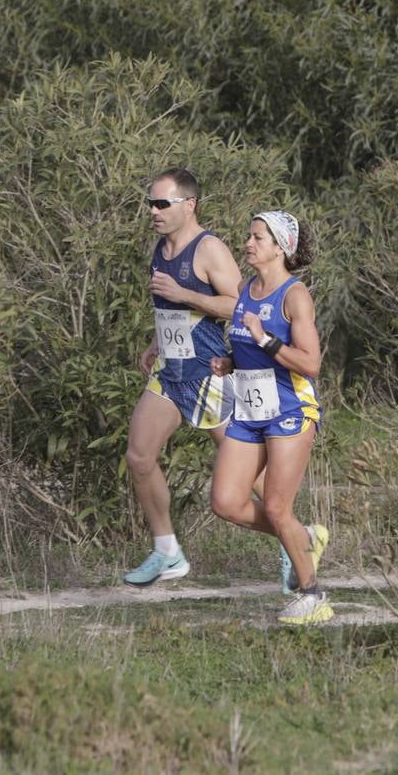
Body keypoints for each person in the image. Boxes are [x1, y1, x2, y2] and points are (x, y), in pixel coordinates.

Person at [122, 168, 264, 587]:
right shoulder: (160, 246)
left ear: (190, 205)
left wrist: (186, 294)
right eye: (150, 202)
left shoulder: (210, 249)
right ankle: (167, 551)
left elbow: (240, 307)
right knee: (139, 456)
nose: (153, 210)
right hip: (170, 371)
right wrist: (155, 343)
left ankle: (295, 543)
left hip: (208, 372)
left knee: (247, 473)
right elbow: (169, 308)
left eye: (162, 204)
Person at [209, 210, 332, 625]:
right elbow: (248, 350)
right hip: (249, 409)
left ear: (280, 247)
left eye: (258, 238)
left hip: (290, 410)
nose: (248, 243)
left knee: (278, 507)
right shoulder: (247, 288)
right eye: (249, 235)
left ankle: (313, 596)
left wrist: (265, 338)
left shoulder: (295, 296)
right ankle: (303, 537)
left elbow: (310, 363)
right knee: (225, 502)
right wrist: (230, 361)